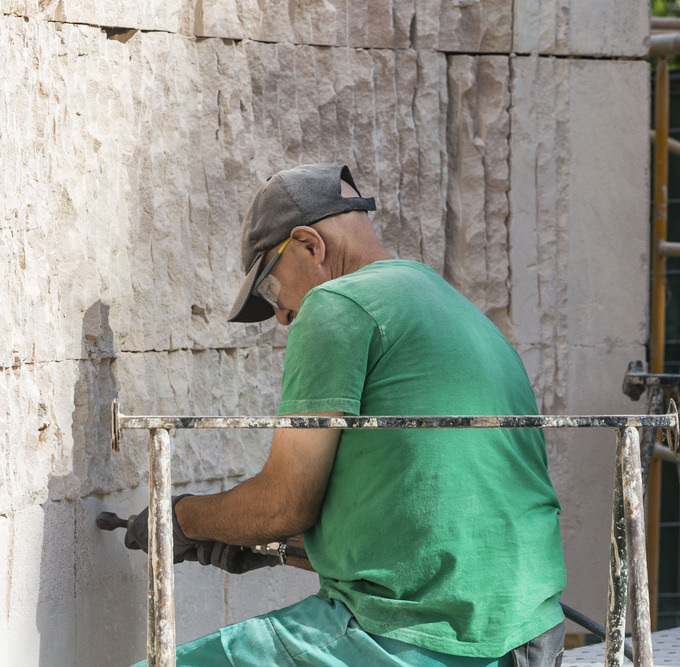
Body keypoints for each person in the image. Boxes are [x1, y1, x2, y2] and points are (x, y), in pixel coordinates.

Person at [123, 163, 567, 666]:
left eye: (271, 287)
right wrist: (270, 547)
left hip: (416, 638)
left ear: (310, 245)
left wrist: (180, 518)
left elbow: (283, 505)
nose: (282, 314)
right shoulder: (459, 312)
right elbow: (427, 524)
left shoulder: (337, 304)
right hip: (526, 633)